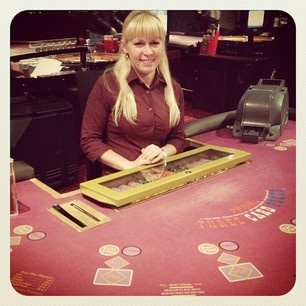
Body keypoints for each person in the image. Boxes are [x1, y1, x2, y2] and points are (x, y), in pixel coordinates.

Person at [80, 10, 186, 177]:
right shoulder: (107, 85)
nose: (148, 52)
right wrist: (130, 166)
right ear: (125, 47)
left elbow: (178, 138)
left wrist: (163, 152)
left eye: (155, 43)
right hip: (119, 177)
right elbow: (90, 141)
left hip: (159, 175)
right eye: (139, 44)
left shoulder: (174, 89)